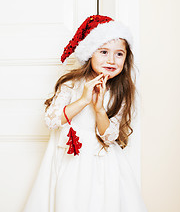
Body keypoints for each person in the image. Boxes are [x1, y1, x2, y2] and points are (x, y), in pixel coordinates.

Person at [22, 15, 148, 212]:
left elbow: (110, 136)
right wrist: (83, 101)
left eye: (119, 54)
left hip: (103, 165)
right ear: (90, 53)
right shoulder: (71, 84)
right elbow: (52, 120)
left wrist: (99, 109)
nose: (111, 60)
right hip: (70, 161)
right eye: (104, 52)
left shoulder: (120, 91)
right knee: (70, 201)